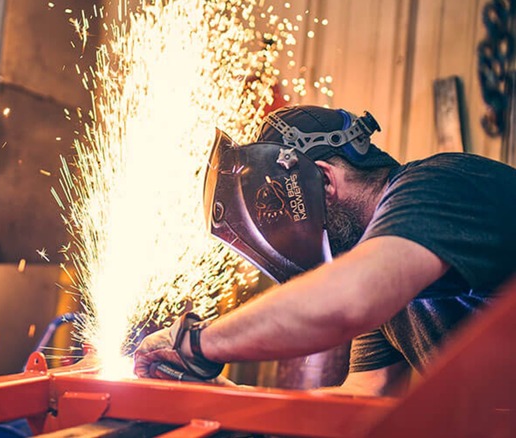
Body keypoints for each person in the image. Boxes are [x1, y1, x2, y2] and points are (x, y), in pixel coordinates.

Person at [133, 105, 516, 396]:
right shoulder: (381, 275)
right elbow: (363, 397)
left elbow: (350, 296)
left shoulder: (438, 184)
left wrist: (196, 342)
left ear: (326, 181)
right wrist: (220, 395)